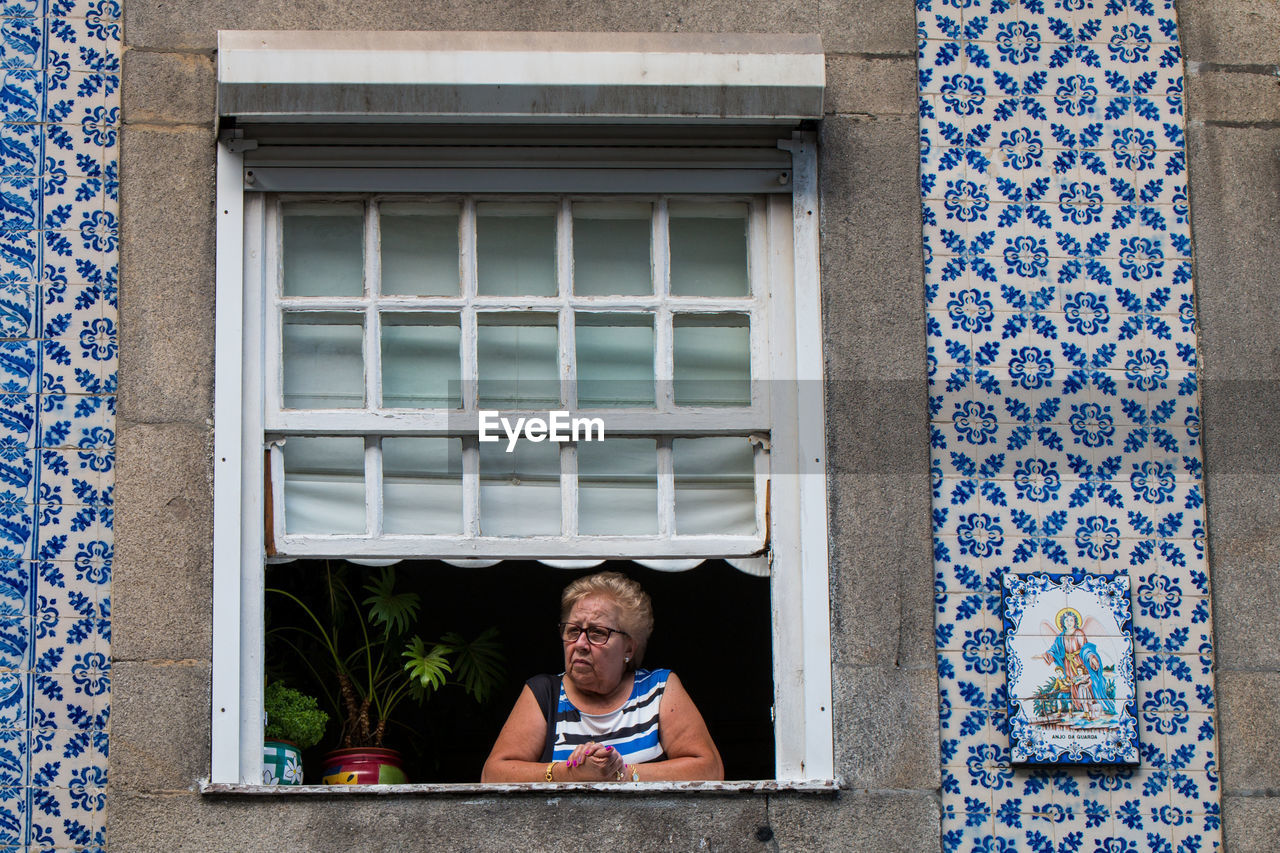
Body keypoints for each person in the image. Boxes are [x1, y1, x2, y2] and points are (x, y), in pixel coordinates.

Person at [482, 571, 723, 782]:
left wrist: (621, 773)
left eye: (598, 633)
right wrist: (570, 774)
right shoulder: (544, 693)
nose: (580, 644)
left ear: (629, 648)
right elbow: (493, 775)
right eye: (573, 631)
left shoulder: (658, 689)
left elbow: (709, 770)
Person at [1039, 608, 1114, 719]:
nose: (1068, 623)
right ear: (1062, 623)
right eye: (1066, 621)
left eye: (1071, 620)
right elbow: (1054, 650)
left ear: (1075, 621)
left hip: (1080, 662)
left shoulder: (1079, 633)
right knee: (1073, 686)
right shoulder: (1061, 637)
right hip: (1068, 664)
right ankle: (1080, 708)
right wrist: (1047, 655)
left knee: (1085, 685)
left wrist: (1092, 658)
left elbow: (1086, 648)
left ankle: (1091, 707)